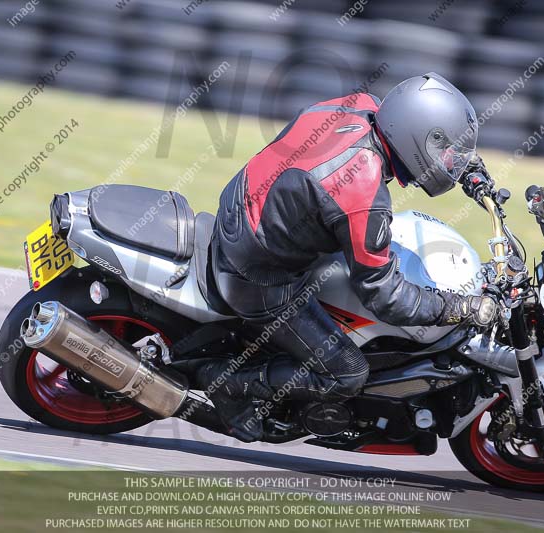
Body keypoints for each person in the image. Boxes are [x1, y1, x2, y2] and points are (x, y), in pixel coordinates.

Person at [198, 72, 496, 442]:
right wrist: (460, 308)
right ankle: (228, 384)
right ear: (415, 139)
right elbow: (385, 297)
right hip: (258, 274)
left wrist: (468, 171)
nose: (448, 162)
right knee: (348, 373)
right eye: (445, 152)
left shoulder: (361, 106)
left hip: (244, 207)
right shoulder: (362, 194)